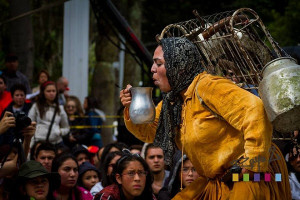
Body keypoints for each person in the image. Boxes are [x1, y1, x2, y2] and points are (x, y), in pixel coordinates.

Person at [120, 37, 291, 199]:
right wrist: (131, 109)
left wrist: (253, 162)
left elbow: (254, 109)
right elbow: (150, 133)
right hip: (217, 180)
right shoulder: (172, 103)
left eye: (159, 63)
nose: (152, 69)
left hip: (251, 175)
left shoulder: (207, 86)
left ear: (178, 66)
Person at [28, 81, 69, 146]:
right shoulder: (36, 107)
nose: (51, 93)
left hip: (56, 143)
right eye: (48, 91)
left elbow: (66, 128)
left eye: (53, 91)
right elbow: (30, 124)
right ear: (43, 92)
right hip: (39, 142)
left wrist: (58, 132)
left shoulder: (60, 108)